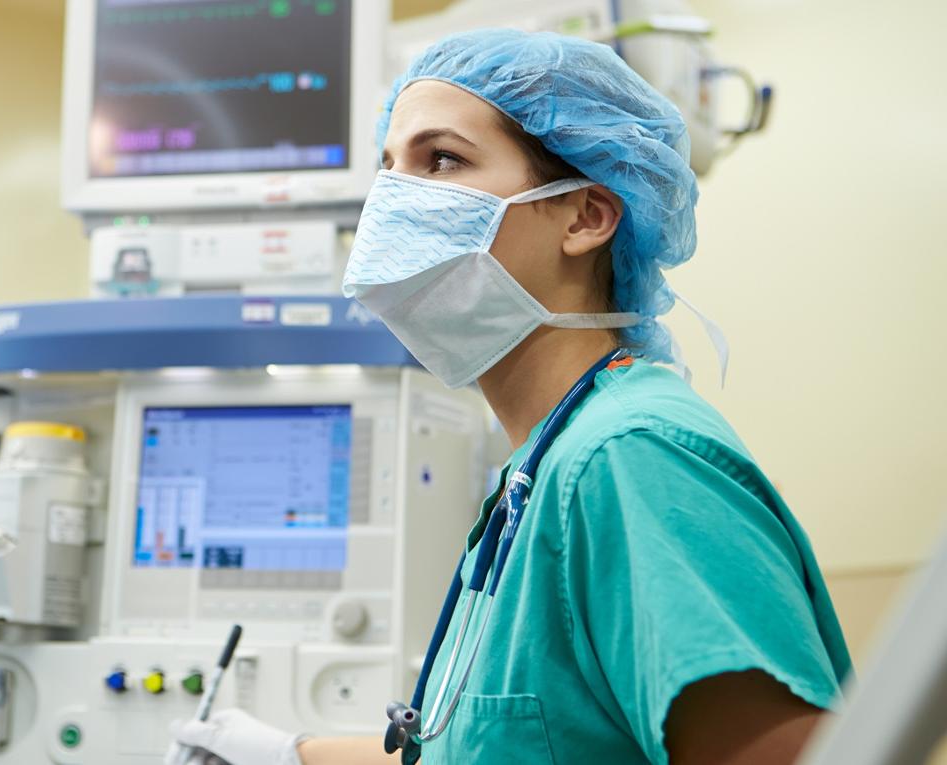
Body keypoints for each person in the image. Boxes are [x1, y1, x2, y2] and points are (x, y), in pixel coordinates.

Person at [166, 28, 851, 765]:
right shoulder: (536, 473)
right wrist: (286, 753)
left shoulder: (631, 458)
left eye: (442, 159)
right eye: (388, 167)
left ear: (586, 215)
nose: (392, 201)